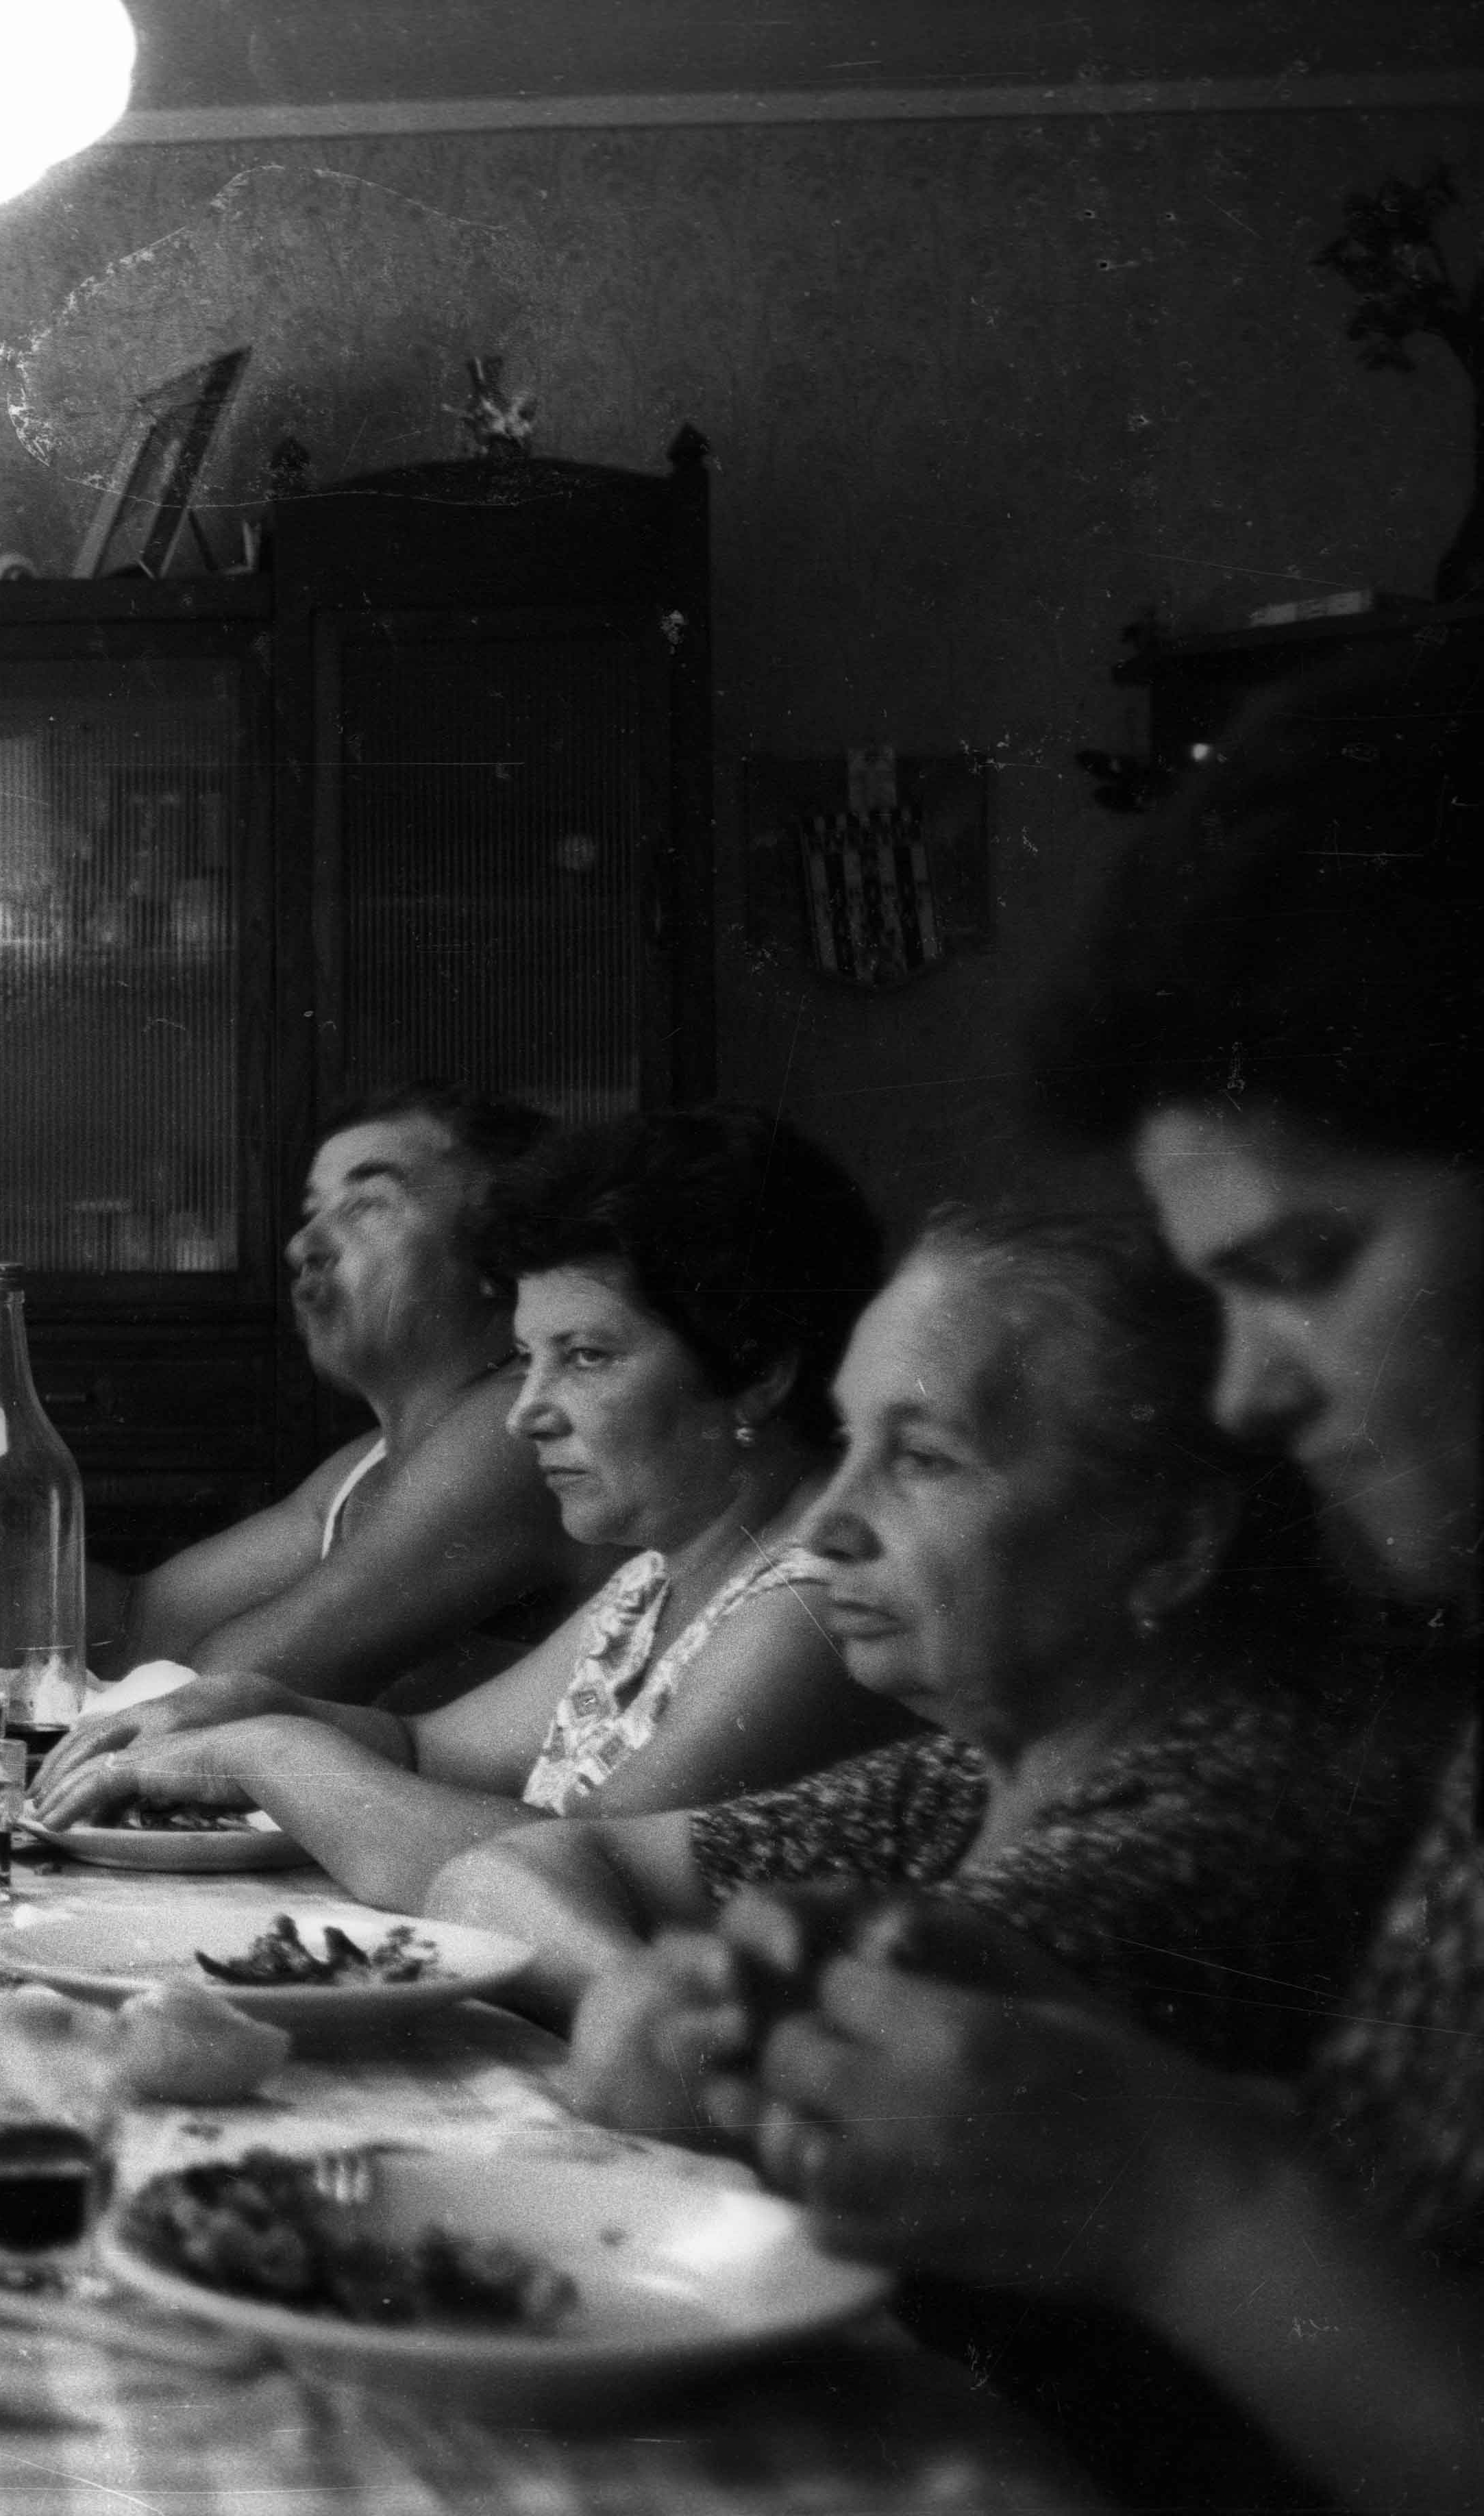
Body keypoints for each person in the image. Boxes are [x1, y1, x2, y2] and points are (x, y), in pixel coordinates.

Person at [636, 644, 1482, 2515]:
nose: (1248, 1398)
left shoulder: (1274, 1769)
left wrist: (1176, 2196)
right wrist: (1074, 2057)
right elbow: (1422, 2229)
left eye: (1307, 1265)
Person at [444, 1209, 1435, 2042]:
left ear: (1174, 1544)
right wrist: (630, 1996)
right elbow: (502, 1871)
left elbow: (842, 2082)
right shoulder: (969, 1775)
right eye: (850, 1444)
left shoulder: (1206, 1824)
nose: (827, 1526)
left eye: (922, 1459)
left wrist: (654, 2024)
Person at [34, 1107, 908, 1913]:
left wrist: (265, 1752)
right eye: (527, 1358)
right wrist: (251, 1703)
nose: (526, 1412)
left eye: (586, 1357)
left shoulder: (812, 1604)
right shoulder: (655, 1579)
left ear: (756, 1371)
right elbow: (427, 1749)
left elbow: (578, 1874)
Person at [41, 1086, 611, 1792]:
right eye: (312, 1211)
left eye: (366, 1205)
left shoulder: (510, 1435)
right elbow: (138, 1625)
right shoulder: (365, 1466)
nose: (300, 1245)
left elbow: (227, 1688)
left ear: (498, 1249)